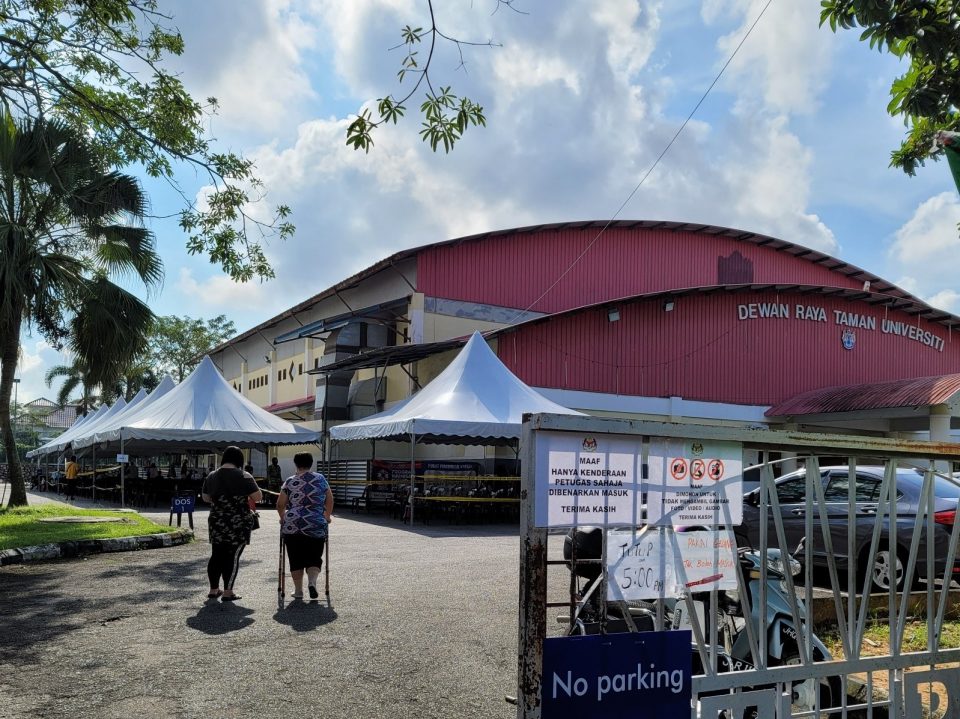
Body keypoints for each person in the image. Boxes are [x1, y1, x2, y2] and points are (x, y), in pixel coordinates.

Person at [201, 446, 262, 602]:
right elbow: (257, 497)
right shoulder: (244, 475)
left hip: (216, 521)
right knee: (232, 556)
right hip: (238, 523)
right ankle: (228, 592)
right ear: (239, 460)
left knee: (216, 555)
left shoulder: (211, 476)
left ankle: (214, 589)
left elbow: (206, 498)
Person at [277, 452, 333, 600]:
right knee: (314, 556)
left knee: (295, 557)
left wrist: (283, 518)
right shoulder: (321, 479)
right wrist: (326, 517)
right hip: (315, 522)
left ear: (296, 464)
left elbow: (280, 504)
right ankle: (312, 583)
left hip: (293, 524)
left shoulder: (290, 481)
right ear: (311, 463)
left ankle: (298, 591)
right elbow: (329, 499)